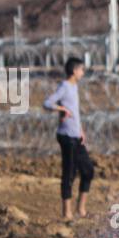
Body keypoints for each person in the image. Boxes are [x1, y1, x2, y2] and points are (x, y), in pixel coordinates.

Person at [43, 57, 95, 220]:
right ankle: (67, 213)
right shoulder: (65, 86)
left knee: (88, 170)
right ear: (74, 71)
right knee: (69, 172)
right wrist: (61, 109)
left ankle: (81, 209)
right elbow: (47, 103)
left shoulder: (74, 86)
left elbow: (75, 111)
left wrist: (81, 130)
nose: (83, 72)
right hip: (66, 136)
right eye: (81, 69)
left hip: (76, 135)